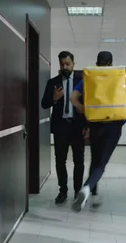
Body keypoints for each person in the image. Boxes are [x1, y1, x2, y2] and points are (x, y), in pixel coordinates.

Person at [69, 51, 126, 212]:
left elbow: (73, 97)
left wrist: (82, 109)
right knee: (101, 164)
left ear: (97, 62)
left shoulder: (89, 77)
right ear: (111, 63)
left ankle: (94, 193)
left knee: (95, 159)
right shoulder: (119, 77)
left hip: (95, 125)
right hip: (113, 126)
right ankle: (86, 189)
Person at [41, 51, 88, 204]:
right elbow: (44, 104)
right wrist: (54, 98)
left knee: (79, 161)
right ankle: (63, 191)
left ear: (74, 63)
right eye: (62, 64)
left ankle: (77, 191)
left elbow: (88, 105)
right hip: (60, 127)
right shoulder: (53, 82)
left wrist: (87, 126)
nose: (64, 66)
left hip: (77, 127)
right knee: (60, 160)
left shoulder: (82, 82)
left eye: (67, 63)